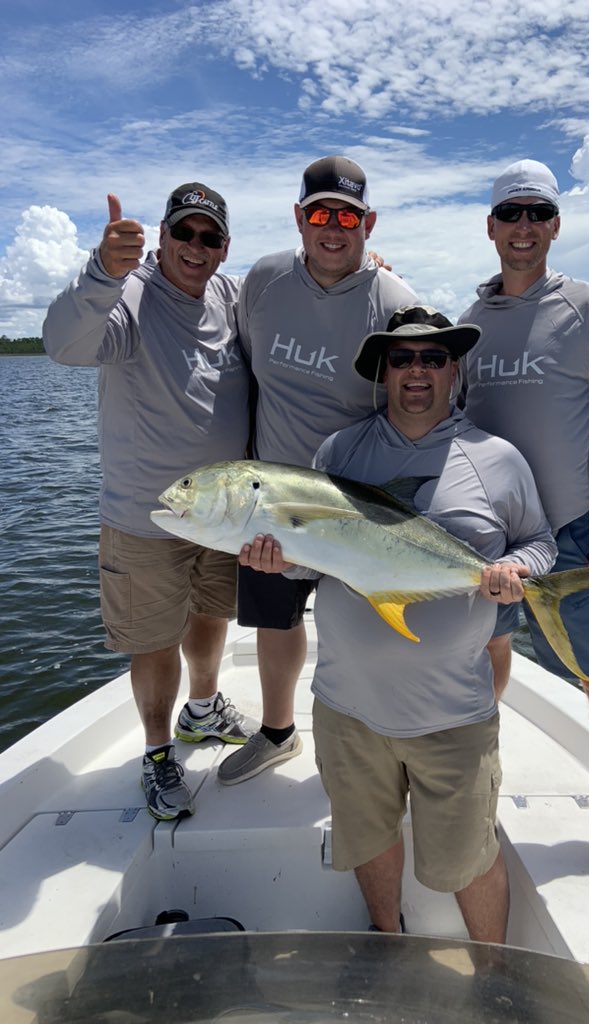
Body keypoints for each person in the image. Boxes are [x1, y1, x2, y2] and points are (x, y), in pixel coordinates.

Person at [238, 304, 557, 940]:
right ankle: (389, 943)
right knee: (367, 842)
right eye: (402, 358)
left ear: (454, 370)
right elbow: (318, 564)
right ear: (384, 373)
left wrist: (513, 571)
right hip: (346, 709)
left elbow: (540, 541)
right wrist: (279, 563)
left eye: (433, 357)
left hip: (453, 715)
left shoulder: (497, 459)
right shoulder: (340, 450)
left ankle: (492, 973)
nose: (417, 369)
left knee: (471, 860)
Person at [459, 158, 589, 905]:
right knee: (484, 649)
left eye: (537, 213)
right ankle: (477, 780)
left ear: (555, 224)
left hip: (570, 533)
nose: (524, 227)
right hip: (487, 536)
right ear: (490, 227)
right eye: (510, 213)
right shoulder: (469, 321)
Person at [43, 183, 257, 821]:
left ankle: (204, 709)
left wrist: (371, 269)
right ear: (162, 236)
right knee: (155, 640)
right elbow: (63, 345)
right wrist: (102, 271)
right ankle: (159, 751)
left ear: (223, 247)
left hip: (223, 517)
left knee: (212, 614)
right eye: (184, 233)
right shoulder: (127, 295)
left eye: (209, 236)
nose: (195, 247)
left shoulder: (231, 295)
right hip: (146, 516)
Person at [218, 156, 419, 786]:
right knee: (274, 621)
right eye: (320, 214)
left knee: (365, 628)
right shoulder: (265, 280)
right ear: (299, 219)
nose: (334, 228)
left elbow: (426, 391)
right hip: (267, 501)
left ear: (370, 222)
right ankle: (278, 733)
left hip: (353, 502)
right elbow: (247, 362)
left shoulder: (393, 298)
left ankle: (386, 741)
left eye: (349, 216)